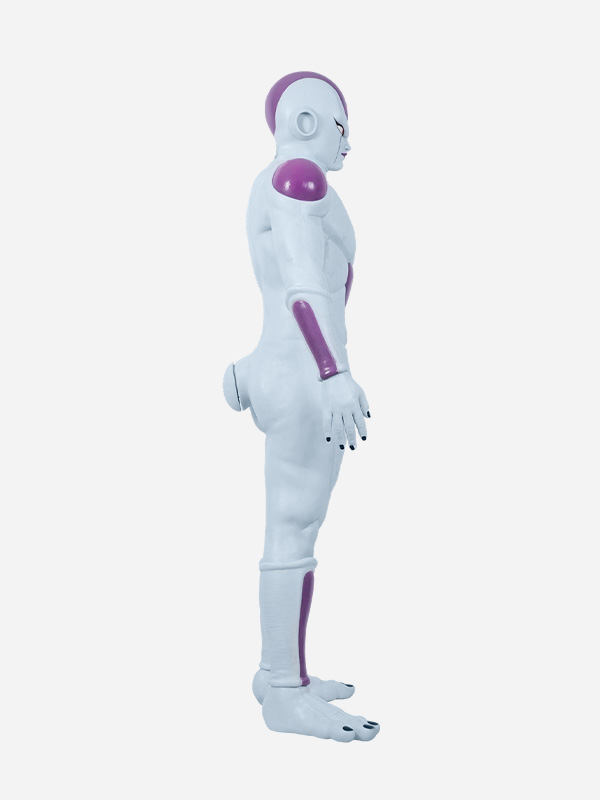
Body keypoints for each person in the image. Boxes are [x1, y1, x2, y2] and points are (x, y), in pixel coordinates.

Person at [223, 72, 379, 741]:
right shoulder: (297, 177)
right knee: (294, 528)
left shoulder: (276, 182)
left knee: (292, 526)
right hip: (304, 375)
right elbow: (302, 282)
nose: (349, 143)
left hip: (286, 368)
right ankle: (285, 693)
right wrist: (333, 372)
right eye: (341, 127)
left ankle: (280, 672)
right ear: (307, 123)